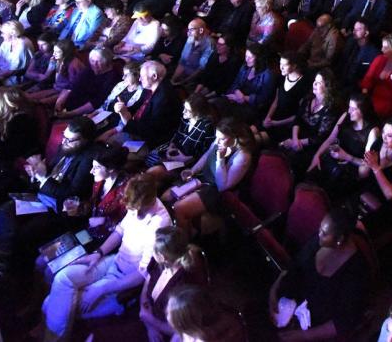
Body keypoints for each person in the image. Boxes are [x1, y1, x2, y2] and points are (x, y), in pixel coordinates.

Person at [41, 174, 170, 341]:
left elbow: (142, 274)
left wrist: (102, 289)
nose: (133, 213)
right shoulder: (136, 201)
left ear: (149, 201)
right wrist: (98, 253)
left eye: (136, 209)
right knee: (62, 278)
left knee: (50, 304)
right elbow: (120, 231)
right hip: (113, 261)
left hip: (123, 281)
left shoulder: (160, 223)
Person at [268, 210, 371, 340]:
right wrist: (274, 290)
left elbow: (343, 322)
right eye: (320, 229)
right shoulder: (317, 241)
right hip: (292, 309)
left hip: (315, 329)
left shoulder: (356, 272)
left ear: (339, 240)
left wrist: (303, 336)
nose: (319, 234)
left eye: (324, 233)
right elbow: (294, 266)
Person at [165, 119, 256, 228]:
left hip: (217, 191)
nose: (217, 141)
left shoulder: (242, 156)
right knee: (165, 197)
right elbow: (207, 155)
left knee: (179, 208)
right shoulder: (220, 141)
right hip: (204, 178)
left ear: (235, 138)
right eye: (216, 137)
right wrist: (193, 170)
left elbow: (222, 186)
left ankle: (181, 241)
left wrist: (220, 160)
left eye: (221, 139)